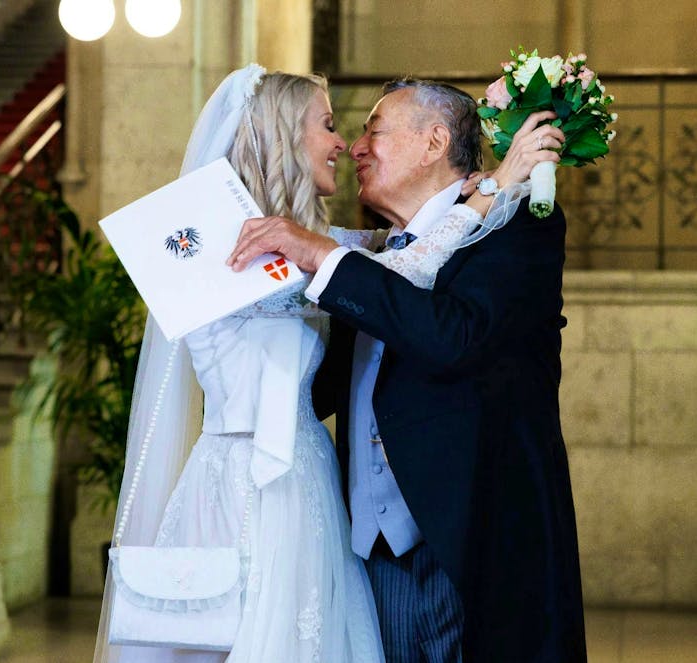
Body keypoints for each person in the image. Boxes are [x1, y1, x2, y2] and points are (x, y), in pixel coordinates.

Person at [95, 66, 553, 663]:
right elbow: (399, 272)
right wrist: (485, 195)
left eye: (360, 129)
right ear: (283, 134)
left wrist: (483, 195)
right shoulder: (232, 243)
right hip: (256, 484)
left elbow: (383, 255)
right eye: (331, 125)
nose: (345, 144)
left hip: (313, 482)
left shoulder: (307, 241)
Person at [229, 79, 587, 662]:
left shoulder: (517, 225)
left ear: (434, 142)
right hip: (371, 556)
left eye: (375, 129)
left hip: (473, 545)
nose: (356, 147)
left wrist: (322, 257)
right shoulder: (372, 256)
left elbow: (451, 337)